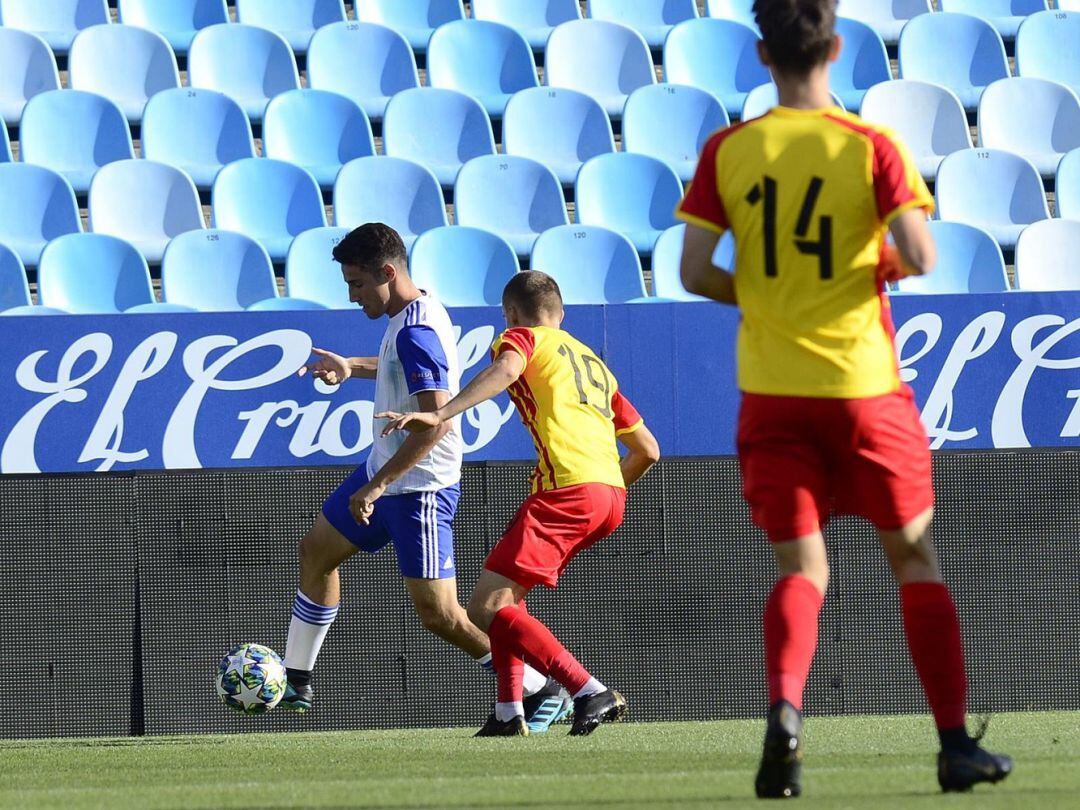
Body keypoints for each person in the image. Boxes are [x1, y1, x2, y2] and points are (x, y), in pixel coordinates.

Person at [676, 0, 1012, 798]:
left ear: (763, 55)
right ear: (835, 48)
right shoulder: (870, 144)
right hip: (863, 389)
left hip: (773, 393)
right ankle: (954, 746)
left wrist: (768, 297)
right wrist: (868, 271)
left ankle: (786, 717)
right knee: (914, 557)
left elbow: (692, 272)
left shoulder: (728, 149)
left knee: (802, 567)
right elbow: (921, 254)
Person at [281, 223, 568, 732]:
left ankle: (539, 687)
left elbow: (437, 424)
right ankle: (296, 679)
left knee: (443, 616)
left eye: (357, 284)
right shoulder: (414, 313)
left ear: (388, 273)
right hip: (385, 472)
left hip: (419, 488)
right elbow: (400, 367)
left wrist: (377, 486)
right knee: (316, 552)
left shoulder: (417, 330)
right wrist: (350, 366)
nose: (352, 296)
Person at [381, 271, 661, 737]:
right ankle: (509, 710)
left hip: (566, 490)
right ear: (561, 313)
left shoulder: (522, 339)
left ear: (511, 314)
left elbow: (508, 370)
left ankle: (587, 689)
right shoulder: (594, 363)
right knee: (507, 602)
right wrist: (601, 489)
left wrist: (441, 412)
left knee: (484, 608)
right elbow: (648, 450)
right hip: (608, 494)